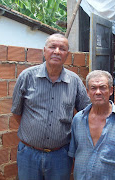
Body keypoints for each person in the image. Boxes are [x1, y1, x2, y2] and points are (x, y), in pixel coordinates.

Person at [11, 33, 90, 180]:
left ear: (68, 54)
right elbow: (16, 112)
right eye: (52, 47)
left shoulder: (74, 81)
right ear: (44, 50)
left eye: (62, 48)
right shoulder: (27, 77)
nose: (57, 51)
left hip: (60, 155)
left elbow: (88, 111)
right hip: (28, 153)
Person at [68, 70, 115, 180]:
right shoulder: (78, 120)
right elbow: (75, 155)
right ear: (87, 92)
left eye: (103, 87)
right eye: (93, 88)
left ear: (111, 90)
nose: (98, 92)